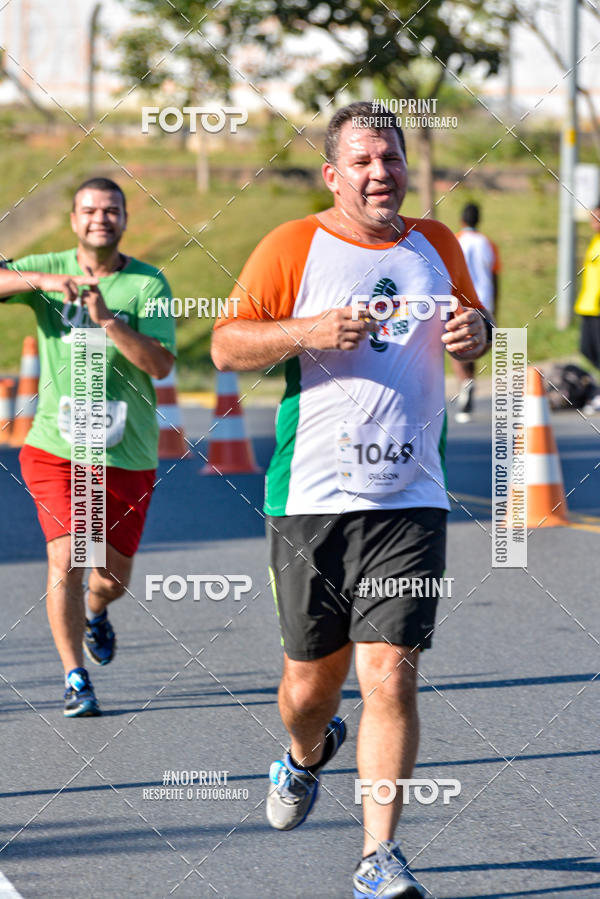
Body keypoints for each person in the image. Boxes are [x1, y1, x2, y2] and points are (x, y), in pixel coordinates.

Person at [211, 101, 493, 898]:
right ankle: (304, 753)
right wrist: (307, 330)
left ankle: (378, 855)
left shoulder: (435, 244)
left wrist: (477, 333)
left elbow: (474, 325)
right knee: (310, 686)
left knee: (391, 674)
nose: (380, 173)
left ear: (408, 165)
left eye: (391, 158)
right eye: (362, 162)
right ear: (334, 175)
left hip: (412, 495)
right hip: (313, 497)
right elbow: (226, 344)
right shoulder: (294, 245)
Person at [0, 177, 176, 717]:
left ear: (125, 220)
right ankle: (75, 676)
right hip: (55, 444)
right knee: (66, 555)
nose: (101, 218)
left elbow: (161, 366)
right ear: (75, 220)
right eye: (90, 210)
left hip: (125, 452)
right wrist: (50, 279)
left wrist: (107, 321)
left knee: (109, 579)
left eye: (112, 210)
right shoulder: (47, 267)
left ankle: (97, 611)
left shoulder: (149, 284)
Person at [453, 202, 500, 422]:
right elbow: (495, 276)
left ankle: (465, 383)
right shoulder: (488, 244)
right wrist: (495, 309)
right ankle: (470, 382)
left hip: (461, 302)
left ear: (462, 220)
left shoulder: (453, 241)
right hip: (484, 303)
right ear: (479, 220)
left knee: (458, 346)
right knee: (478, 343)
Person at [575, 201, 600, 412]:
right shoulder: (595, 241)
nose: (594, 221)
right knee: (587, 349)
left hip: (598, 308)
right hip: (589, 306)